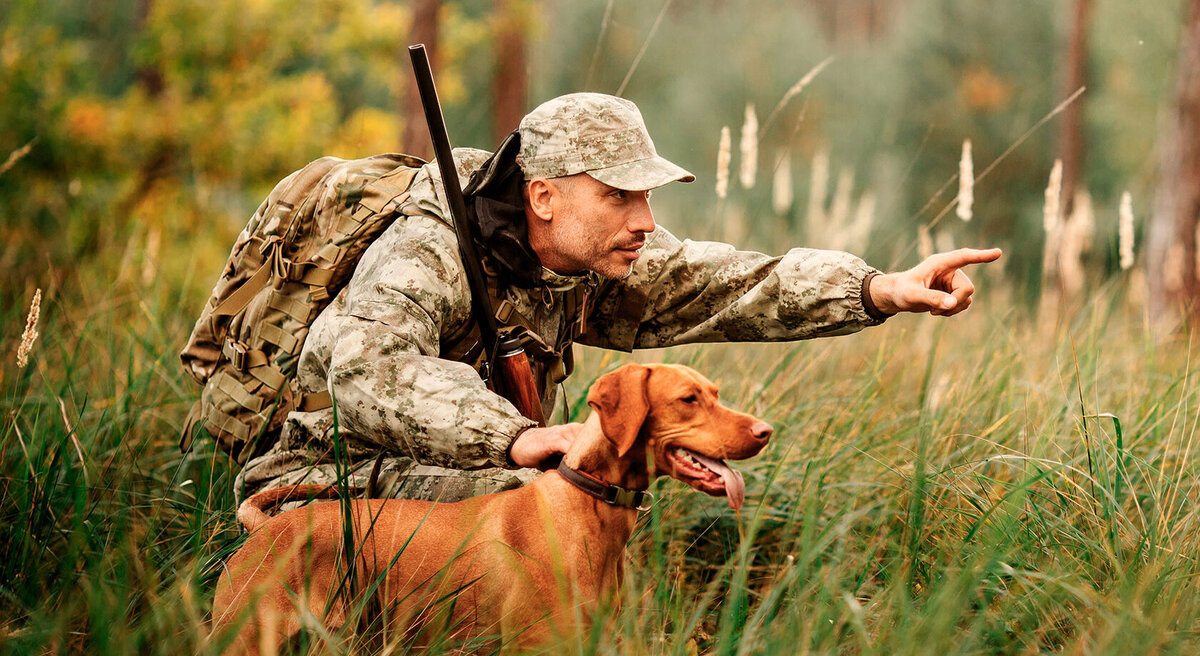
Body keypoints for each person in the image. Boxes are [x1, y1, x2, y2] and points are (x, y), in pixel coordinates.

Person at [233, 93, 1001, 503]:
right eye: (619, 196)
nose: (645, 221)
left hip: (457, 472)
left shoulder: (593, 255)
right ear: (543, 196)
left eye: (647, 195)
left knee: (566, 491)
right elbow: (365, 369)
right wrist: (516, 438)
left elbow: (732, 283)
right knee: (538, 491)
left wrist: (879, 287)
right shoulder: (431, 246)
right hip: (323, 474)